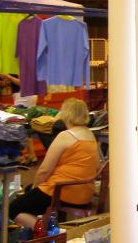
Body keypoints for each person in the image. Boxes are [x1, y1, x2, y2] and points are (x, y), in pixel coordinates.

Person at [10, 98, 99, 229]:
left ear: (66, 114)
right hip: (84, 192)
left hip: (61, 191)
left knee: (13, 208)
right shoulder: (91, 135)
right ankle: (46, 225)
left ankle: (46, 231)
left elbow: (44, 170)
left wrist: (35, 188)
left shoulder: (66, 136)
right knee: (30, 192)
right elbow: (96, 166)